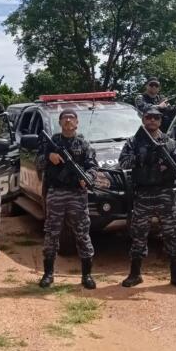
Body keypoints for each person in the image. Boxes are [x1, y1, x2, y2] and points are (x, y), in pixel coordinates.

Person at [118, 107, 176, 289]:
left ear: (160, 120)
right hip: (143, 193)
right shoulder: (133, 142)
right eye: (148, 117)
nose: (152, 120)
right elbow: (123, 163)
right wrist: (144, 157)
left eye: (156, 118)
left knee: (171, 232)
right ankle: (135, 274)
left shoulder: (169, 142)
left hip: (165, 192)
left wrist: (169, 166)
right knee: (139, 234)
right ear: (143, 119)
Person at [36, 109, 107, 290]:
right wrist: (48, 156)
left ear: (77, 123)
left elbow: (92, 166)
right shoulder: (52, 143)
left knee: (82, 233)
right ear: (60, 123)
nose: (68, 121)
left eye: (71, 118)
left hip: (77, 194)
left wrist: (88, 178)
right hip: (56, 192)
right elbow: (37, 162)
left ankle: (87, 275)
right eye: (64, 118)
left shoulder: (83, 145)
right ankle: (48, 274)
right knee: (52, 232)